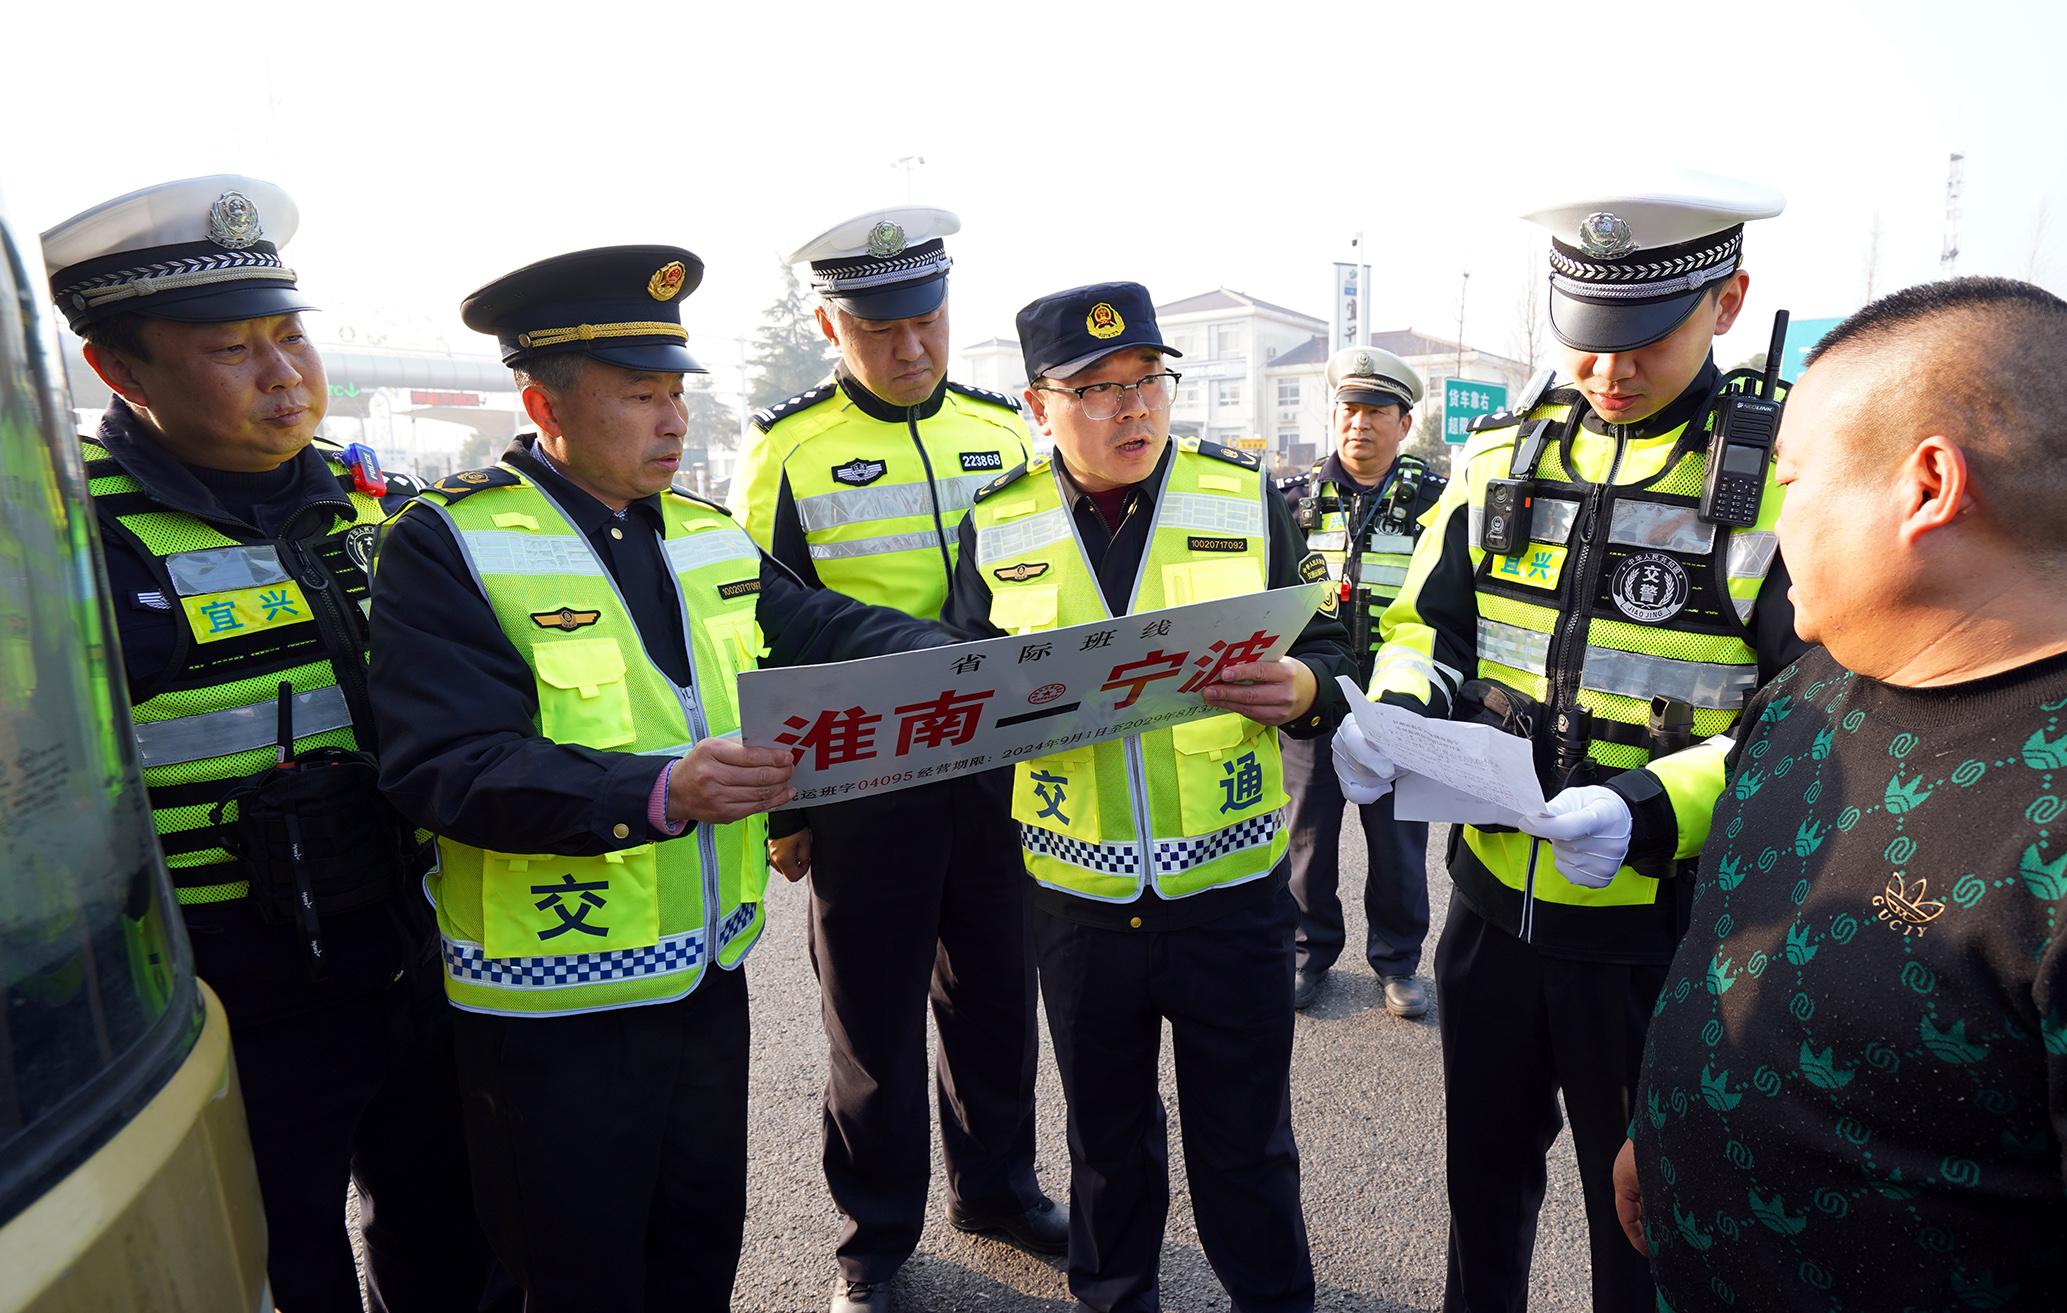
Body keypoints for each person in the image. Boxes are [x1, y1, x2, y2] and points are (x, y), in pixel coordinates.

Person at [368, 245, 946, 1311]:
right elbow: (444, 764)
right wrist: (661, 792)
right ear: (544, 404)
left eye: (676, 393)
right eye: (641, 395)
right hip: (553, 1007)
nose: (673, 420)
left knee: (695, 1255)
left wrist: (981, 660)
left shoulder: (700, 533)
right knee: (573, 1277)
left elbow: (825, 627)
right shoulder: (451, 542)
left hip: (702, 980)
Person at [1334, 170, 1807, 1313]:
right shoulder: (1503, 455)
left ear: (1728, 302)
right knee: (1481, 1189)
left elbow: (1806, 711)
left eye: (1645, 338)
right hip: (1491, 909)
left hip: (1660, 935)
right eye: (1587, 338)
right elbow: (1428, 625)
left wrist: (1650, 808)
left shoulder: (1786, 481)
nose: (1609, 369)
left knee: (1644, 1226)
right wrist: (1396, 707)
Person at [41, 175, 497, 1312]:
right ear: (120, 371)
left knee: (453, 1240)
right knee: (283, 1260)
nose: (283, 372)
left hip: (422, 947)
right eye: (230, 349)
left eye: (290, 335)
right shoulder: (70, 540)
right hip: (230, 991)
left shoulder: (374, 496)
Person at [1607, 277, 2067, 1311]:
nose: (1775, 520)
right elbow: (1726, 935)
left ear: (1927, 485)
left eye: (1794, 478)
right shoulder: (1811, 689)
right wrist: (1665, 1126)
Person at [942, 280, 1356, 1313]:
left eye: (1147, 381)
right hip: (1077, 900)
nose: (1131, 408)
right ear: (1038, 404)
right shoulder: (997, 522)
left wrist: (1305, 689)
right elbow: (962, 689)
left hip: (1232, 892)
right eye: (1096, 390)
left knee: (1247, 1144)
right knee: (1106, 1143)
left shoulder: (1241, 494)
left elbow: (1332, 647)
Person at [731, 207, 1058, 1313]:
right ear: (832, 327)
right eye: (881, 330)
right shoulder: (787, 447)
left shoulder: (1003, 430)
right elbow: (757, 617)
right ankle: (873, 1236)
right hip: (863, 774)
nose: (912, 347)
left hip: (996, 764)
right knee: (869, 1020)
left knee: (997, 995)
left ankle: (1000, 1188)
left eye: (928, 320)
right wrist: (785, 807)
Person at [1275, 346, 1447, 1014]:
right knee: (1306, 840)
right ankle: (1306, 952)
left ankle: (1398, 962)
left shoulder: (1436, 503)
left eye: (1377, 411)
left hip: (1397, 705)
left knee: (1399, 844)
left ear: (1403, 424)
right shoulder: (1291, 501)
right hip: (1312, 701)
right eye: (1349, 408)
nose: (1360, 423)